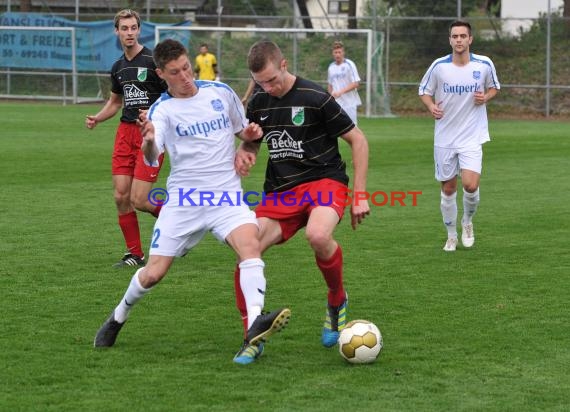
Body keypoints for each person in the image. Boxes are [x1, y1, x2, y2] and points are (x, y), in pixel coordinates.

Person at [93, 39, 291, 365]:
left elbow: (246, 133)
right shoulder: (162, 111)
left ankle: (254, 326)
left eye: (186, 67)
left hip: (226, 197)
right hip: (183, 203)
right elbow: (153, 153)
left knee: (250, 248)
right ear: (161, 74)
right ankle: (117, 317)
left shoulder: (221, 93)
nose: (185, 76)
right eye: (175, 72)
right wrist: (149, 141)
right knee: (153, 274)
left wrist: (250, 140)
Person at [233, 40, 370, 360]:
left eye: (271, 79)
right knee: (245, 249)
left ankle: (337, 299)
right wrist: (246, 151)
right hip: (281, 191)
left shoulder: (315, 97)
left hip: (324, 181)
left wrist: (360, 195)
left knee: (318, 235)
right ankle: (252, 335)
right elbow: (253, 141)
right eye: (260, 82)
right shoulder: (260, 102)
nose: (267, 87)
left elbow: (358, 140)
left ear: (283, 64)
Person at [85, 9, 166, 268]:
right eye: (124, 28)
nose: (129, 32)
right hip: (124, 133)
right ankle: (135, 254)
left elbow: (173, 95)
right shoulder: (118, 67)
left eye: (133, 28)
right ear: (116, 31)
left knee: (140, 199)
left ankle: (181, 227)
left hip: (151, 134)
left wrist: (153, 114)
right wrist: (98, 117)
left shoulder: (155, 61)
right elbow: (115, 102)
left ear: (139, 30)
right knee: (121, 196)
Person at [418, 20, 500, 252]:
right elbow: (424, 91)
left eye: (463, 36)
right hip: (445, 137)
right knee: (448, 189)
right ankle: (451, 235)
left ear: (470, 39)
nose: (459, 40)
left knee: (470, 185)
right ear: (450, 40)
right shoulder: (439, 66)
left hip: (472, 135)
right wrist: (431, 106)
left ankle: (467, 222)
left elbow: (494, 87)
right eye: (455, 36)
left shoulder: (484, 64)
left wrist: (486, 97)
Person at [327, 40, 362, 125]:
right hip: (337, 103)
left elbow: (356, 83)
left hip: (350, 103)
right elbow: (330, 85)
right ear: (333, 53)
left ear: (343, 53)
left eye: (339, 52)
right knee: (334, 127)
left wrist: (340, 92)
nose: (337, 54)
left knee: (352, 127)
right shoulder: (331, 67)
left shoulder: (349, 64)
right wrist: (329, 98)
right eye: (335, 52)